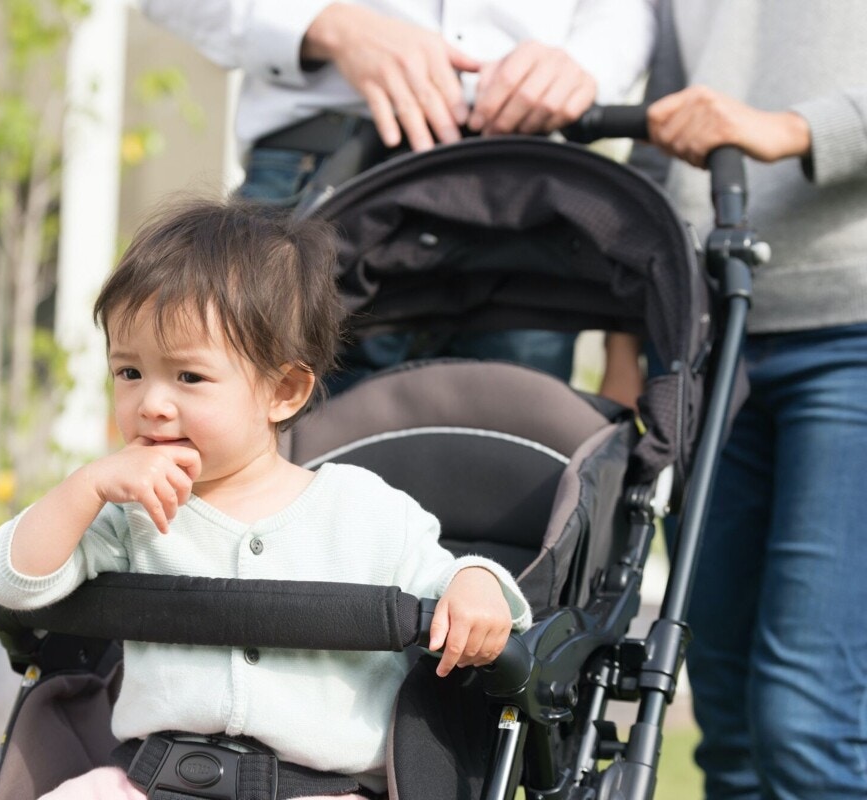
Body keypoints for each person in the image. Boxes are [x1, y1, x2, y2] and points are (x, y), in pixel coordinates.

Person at [0, 197, 532, 799]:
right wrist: (84, 487)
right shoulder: (126, 512)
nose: (152, 404)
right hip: (152, 778)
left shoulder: (363, 510)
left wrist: (478, 582)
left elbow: (459, 585)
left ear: (284, 391)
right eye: (129, 372)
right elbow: (17, 583)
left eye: (189, 377)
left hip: (319, 788)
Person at [138, 1, 655, 389]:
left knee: (511, 488)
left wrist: (585, 64)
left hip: (517, 199)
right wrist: (328, 24)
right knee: (269, 480)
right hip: (322, 175)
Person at [629, 1, 867, 798]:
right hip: (702, 333)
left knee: (806, 721)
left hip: (853, 329)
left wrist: (796, 128)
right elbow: (661, 128)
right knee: (722, 712)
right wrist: (629, 340)